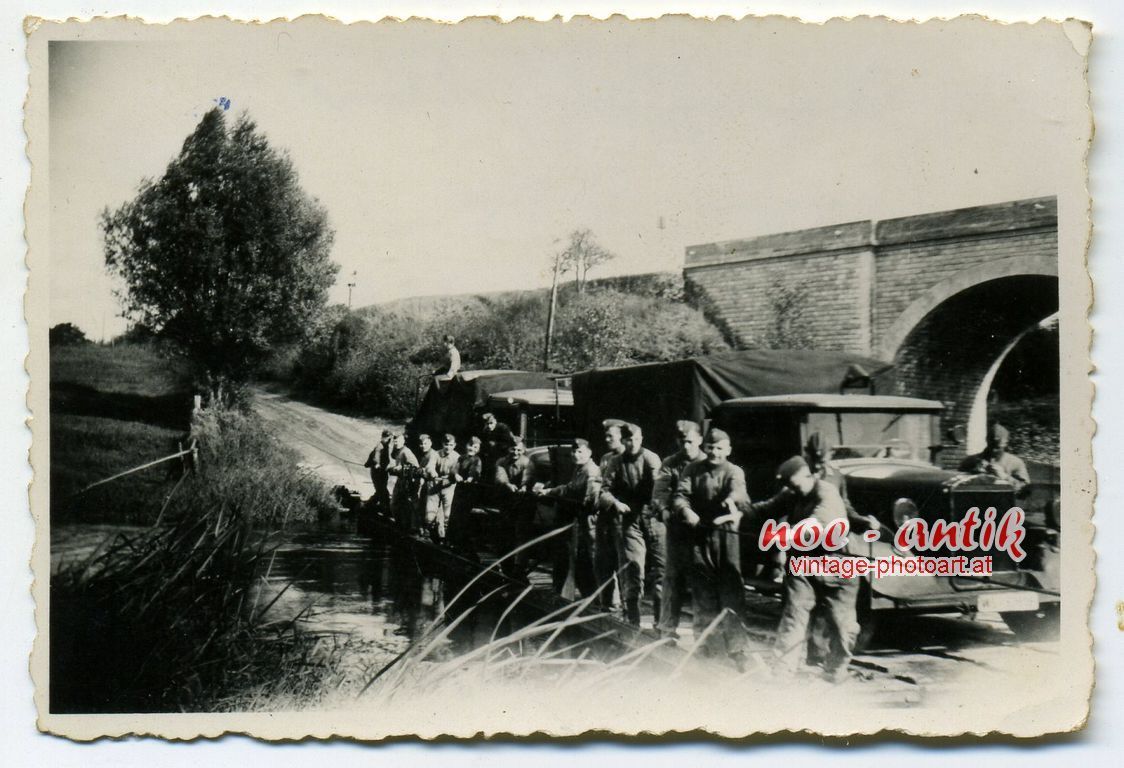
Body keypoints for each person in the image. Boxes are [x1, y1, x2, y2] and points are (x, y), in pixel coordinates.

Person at [749, 455, 859, 682]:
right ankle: (782, 670)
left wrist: (787, 534)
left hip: (836, 564)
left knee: (841, 624)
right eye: (788, 485)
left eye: (795, 484)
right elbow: (765, 509)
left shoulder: (827, 492)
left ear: (808, 476)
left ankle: (836, 667)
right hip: (802, 563)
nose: (791, 489)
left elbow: (819, 523)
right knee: (793, 615)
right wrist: (740, 510)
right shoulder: (792, 493)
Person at [671, 428, 751, 670]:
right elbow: (680, 495)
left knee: (731, 592)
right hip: (699, 537)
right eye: (710, 448)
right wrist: (686, 511)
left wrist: (732, 501)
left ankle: (738, 649)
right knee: (703, 591)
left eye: (719, 448)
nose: (714, 452)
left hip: (726, 537)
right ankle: (707, 646)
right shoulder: (692, 469)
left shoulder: (734, 471)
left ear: (728, 450)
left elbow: (739, 491)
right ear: (704, 448)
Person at [598, 422, 661, 627]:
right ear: (623, 441)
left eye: (635, 439)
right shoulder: (616, 462)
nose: (632, 443)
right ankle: (632, 618)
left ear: (641, 439)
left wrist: (656, 505)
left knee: (661, 570)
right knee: (632, 568)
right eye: (627, 440)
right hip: (629, 519)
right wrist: (616, 503)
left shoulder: (651, 459)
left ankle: (662, 623)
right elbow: (604, 490)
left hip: (653, 518)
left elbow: (659, 487)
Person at [652, 420, 705, 639]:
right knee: (672, 580)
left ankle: (703, 634)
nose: (686, 446)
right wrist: (663, 508)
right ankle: (667, 629)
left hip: (702, 532)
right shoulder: (670, 463)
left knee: (702, 583)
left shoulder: (708, 462)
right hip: (677, 531)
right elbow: (660, 491)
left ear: (700, 440)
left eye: (691, 441)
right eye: (683, 442)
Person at [535, 438, 602, 598]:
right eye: (573, 451)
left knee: (593, 559)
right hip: (582, 522)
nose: (575, 455)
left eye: (580, 451)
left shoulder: (591, 471)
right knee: (581, 560)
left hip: (591, 522)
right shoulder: (579, 470)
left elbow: (591, 499)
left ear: (589, 453)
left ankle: (599, 599)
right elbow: (569, 488)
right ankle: (590, 597)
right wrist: (548, 491)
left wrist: (581, 505)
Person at [493, 436, 535, 576]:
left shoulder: (527, 462)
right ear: (508, 449)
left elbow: (528, 476)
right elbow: (500, 475)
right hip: (506, 501)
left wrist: (524, 486)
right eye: (513, 449)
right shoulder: (501, 462)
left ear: (522, 450)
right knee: (505, 532)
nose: (515, 452)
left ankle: (520, 566)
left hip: (523, 503)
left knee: (521, 533)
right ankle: (506, 564)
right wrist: (507, 484)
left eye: (518, 449)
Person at [958, 422, 1030, 492]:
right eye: (991, 446)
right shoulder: (970, 461)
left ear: (1006, 443)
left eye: (998, 447)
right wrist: (971, 474)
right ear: (987, 441)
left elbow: (1025, 490)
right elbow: (956, 485)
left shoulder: (1016, 463)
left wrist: (1004, 476)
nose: (993, 450)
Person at [422, 433, 460, 543]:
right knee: (430, 515)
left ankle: (446, 538)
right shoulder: (436, 454)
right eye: (446, 444)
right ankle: (432, 534)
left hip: (449, 487)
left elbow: (456, 470)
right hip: (435, 485)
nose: (448, 447)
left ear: (454, 445)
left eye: (451, 444)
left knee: (448, 514)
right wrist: (433, 472)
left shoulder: (457, 457)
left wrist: (453, 476)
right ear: (443, 444)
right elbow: (430, 466)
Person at [447, 436, 484, 552]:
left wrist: (470, 478)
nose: (472, 449)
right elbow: (454, 469)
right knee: (455, 513)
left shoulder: (477, 460)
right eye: (470, 446)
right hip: (460, 488)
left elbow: (476, 471)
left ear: (478, 449)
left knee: (464, 515)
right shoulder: (461, 458)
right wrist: (456, 475)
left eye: (475, 447)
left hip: (470, 490)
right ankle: (452, 540)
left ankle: (462, 542)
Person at [387, 432, 420, 531]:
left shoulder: (406, 452)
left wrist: (401, 468)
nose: (396, 443)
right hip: (400, 480)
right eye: (395, 441)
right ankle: (400, 524)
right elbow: (393, 458)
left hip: (408, 482)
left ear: (403, 441)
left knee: (406, 504)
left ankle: (410, 527)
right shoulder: (397, 451)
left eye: (398, 441)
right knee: (394, 503)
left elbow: (415, 467)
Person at [414, 433, 439, 535]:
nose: (423, 446)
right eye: (421, 444)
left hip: (432, 484)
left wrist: (420, 471)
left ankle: (427, 529)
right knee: (420, 505)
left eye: (425, 443)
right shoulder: (422, 454)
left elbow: (428, 470)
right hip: (424, 483)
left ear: (431, 443)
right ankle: (420, 527)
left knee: (427, 507)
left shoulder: (433, 454)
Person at [363, 429, 392, 514]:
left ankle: (371, 505)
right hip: (377, 473)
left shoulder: (386, 446)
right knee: (382, 491)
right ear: (382, 437)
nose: (388, 440)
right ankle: (382, 508)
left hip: (383, 472)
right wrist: (377, 464)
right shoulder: (380, 446)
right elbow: (376, 457)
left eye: (389, 438)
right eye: (386, 438)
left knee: (381, 491)